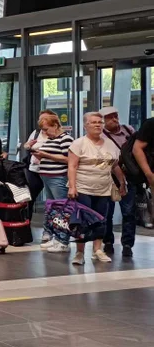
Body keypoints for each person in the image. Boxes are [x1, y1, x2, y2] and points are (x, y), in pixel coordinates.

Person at [68, 111, 126, 266]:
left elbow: (115, 166)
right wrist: (72, 187)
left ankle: (98, 250)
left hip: (103, 188)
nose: (97, 125)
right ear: (85, 125)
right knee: (82, 221)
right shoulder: (79, 144)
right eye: (93, 122)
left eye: (100, 122)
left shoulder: (110, 144)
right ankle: (80, 252)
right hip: (83, 188)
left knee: (101, 220)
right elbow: (72, 166)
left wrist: (122, 182)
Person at [31, 113, 73, 253]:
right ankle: (56, 237)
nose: (45, 133)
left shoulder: (66, 139)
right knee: (53, 209)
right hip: (47, 177)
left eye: (46, 129)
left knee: (62, 209)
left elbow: (69, 159)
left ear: (55, 126)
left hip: (58, 178)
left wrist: (45, 155)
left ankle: (63, 240)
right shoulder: (51, 139)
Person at [100, 106, 136, 258]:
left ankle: (127, 244)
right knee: (106, 213)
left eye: (116, 115)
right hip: (107, 179)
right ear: (103, 121)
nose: (115, 119)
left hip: (129, 177)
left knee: (129, 212)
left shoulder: (128, 130)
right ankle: (108, 241)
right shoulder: (101, 136)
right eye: (110, 117)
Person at [23, 109, 58, 241]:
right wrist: (28, 146)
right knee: (29, 199)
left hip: (51, 171)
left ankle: (51, 231)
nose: (43, 122)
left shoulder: (57, 135)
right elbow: (27, 146)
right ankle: (26, 227)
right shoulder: (36, 133)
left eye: (46, 119)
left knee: (53, 202)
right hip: (34, 170)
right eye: (41, 119)